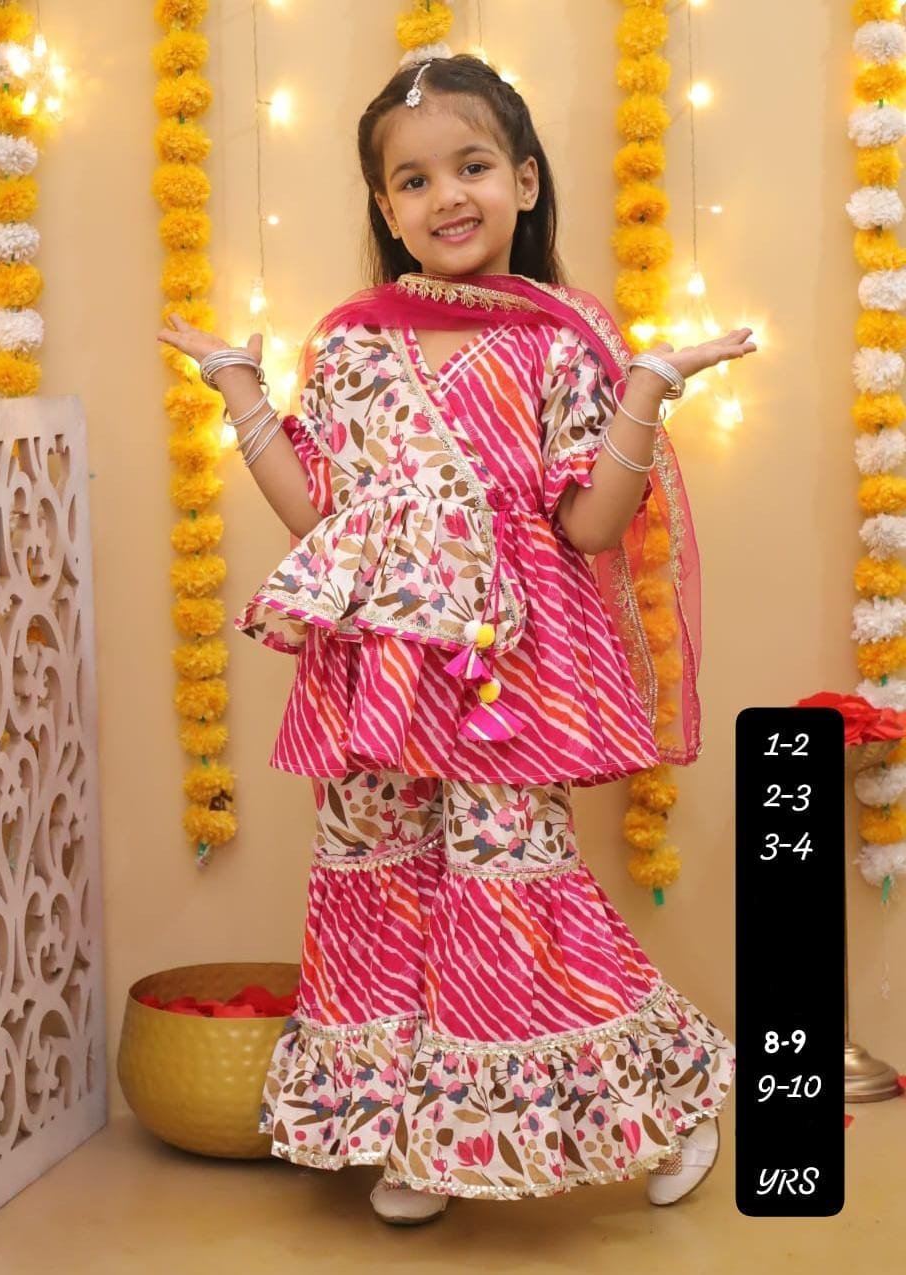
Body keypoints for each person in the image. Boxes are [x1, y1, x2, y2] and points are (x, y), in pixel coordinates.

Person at [158, 54, 753, 1225]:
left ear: (523, 182)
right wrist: (239, 389)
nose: (445, 197)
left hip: (501, 672)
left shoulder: (557, 341)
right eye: (413, 180)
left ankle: (672, 1100)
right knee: (380, 882)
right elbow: (319, 515)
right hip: (376, 667)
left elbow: (588, 526)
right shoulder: (349, 344)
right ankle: (422, 1134)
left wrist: (642, 388)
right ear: (386, 210)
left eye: (471, 166)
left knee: (509, 882)